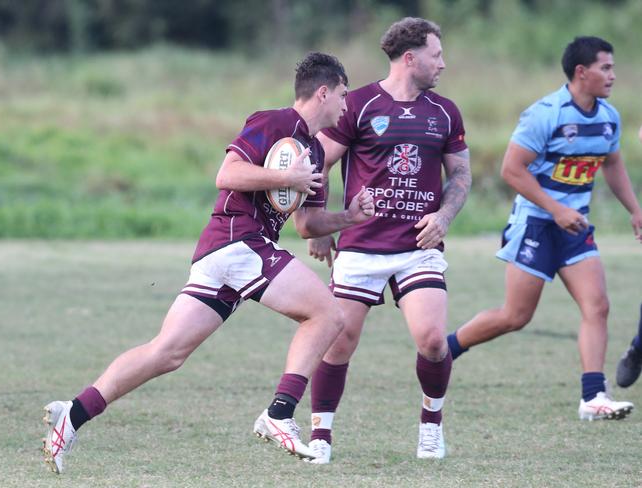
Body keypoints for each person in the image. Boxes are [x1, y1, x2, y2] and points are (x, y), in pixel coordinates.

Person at [42, 52, 376, 474]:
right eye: (343, 95)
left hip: (230, 252)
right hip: (240, 240)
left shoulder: (312, 152)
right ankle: (278, 414)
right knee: (328, 313)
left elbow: (308, 225)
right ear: (323, 92)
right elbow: (227, 174)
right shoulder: (274, 122)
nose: (347, 105)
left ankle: (72, 416)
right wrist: (285, 179)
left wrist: (350, 217)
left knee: (166, 353)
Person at [446, 36, 642, 420]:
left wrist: (635, 209)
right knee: (515, 316)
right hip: (535, 224)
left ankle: (592, 397)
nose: (613, 75)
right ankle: (443, 351)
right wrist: (555, 209)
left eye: (613, 67)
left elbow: (613, 164)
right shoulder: (545, 114)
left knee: (597, 305)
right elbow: (511, 171)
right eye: (606, 67)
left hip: (575, 227)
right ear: (581, 72)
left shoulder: (608, 117)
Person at [306, 18, 471, 463]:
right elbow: (317, 163)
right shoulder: (358, 104)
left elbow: (460, 174)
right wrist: (322, 224)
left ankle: (431, 428)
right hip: (362, 246)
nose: (443, 63)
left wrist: (444, 214)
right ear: (411, 57)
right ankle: (321, 435)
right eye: (436, 54)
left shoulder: (444, 111)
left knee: (434, 341)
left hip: (418, 248)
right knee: (339, 341)